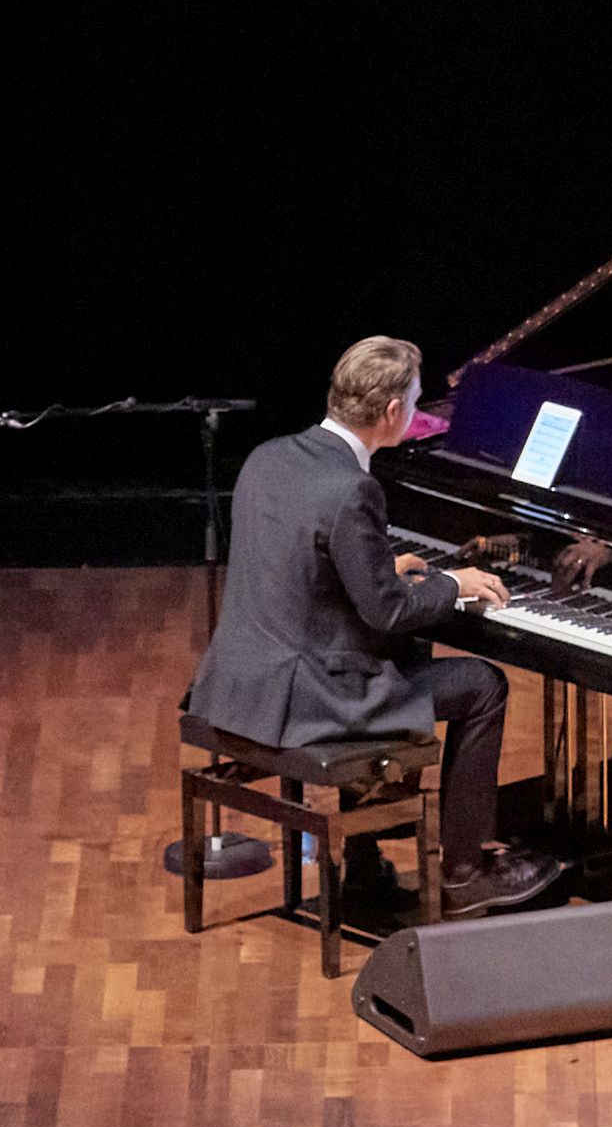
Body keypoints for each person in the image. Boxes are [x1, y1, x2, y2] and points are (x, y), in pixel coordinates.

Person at [182, 336, 560, 917]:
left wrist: (379, 569)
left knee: (393, 656)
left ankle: (362, 863)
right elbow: (389, 612)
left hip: (241, 677)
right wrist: (453, 583)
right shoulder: (354, 487)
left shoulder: (270, 455)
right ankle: (464, 870)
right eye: (413, 402)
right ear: (391, 414)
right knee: (483, 685)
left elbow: (303, 566)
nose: (417, 413)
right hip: (311, 693)